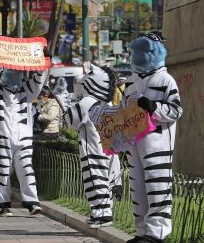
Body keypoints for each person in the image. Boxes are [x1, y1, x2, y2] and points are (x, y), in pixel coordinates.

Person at [118, 34, 182, 243]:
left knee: (157, 186)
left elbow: (176, 109)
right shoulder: (131, 81)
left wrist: (154, 108)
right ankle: (142, 232)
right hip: (134, 143)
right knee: (138, 188)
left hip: (157, 143)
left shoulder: (165, 80)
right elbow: (122, 111)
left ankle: (157, 233)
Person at [0, 43, 48, 217]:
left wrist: (45, 60)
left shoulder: (26, 92)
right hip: (1, 137)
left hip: (23, 139)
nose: (15, 75)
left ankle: (32, 202)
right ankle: (3, 205)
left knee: (26, 169)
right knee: (1, 171)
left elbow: (38, 81)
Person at [63, 63, 120, 228]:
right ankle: (100, 213)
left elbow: (70, 121)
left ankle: (103, 215)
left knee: (95, 181)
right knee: (104, 182)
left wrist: (68, 111)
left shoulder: (87, 102)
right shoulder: (107, 103)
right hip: (108, 150)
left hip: (92, 149)